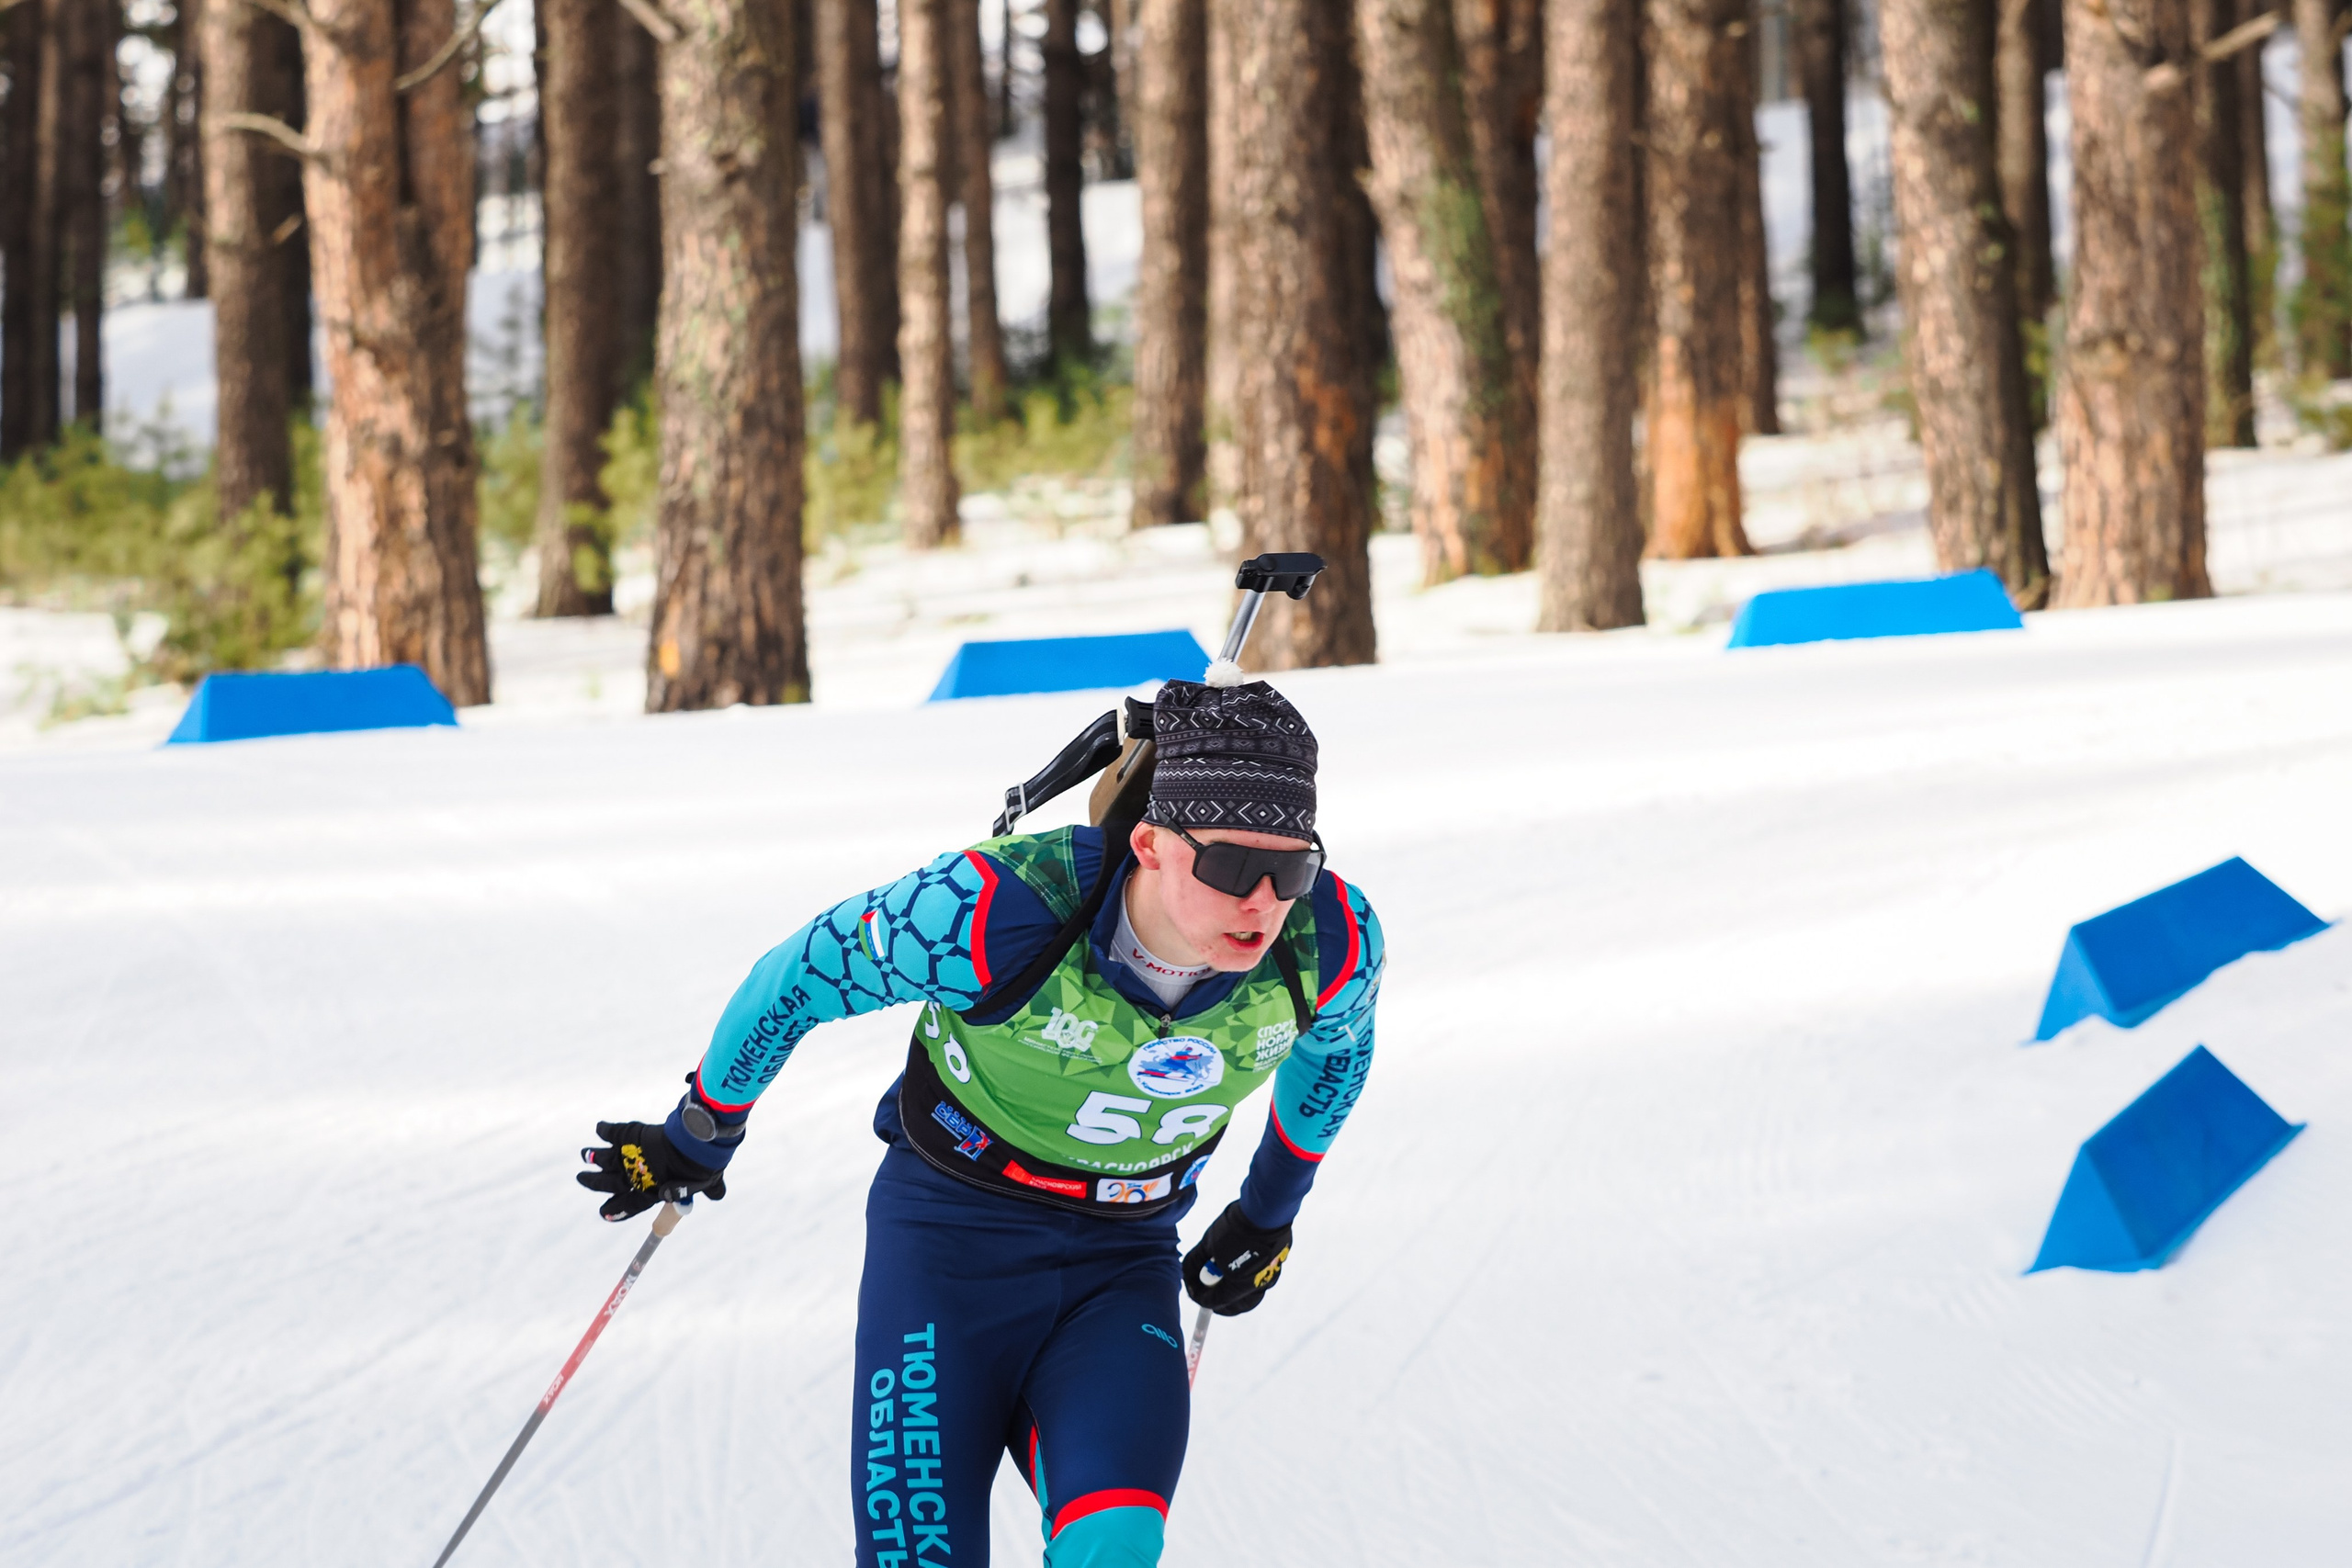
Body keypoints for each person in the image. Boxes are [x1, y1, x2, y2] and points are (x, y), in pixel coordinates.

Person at [580, 678, 1385, 1568]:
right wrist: (701, 1128)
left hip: (1121, 1260)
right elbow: (801, 974)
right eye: (1232, 867)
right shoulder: (995, 908)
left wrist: (1267, 1215)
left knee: (1115, 1542)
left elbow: (1336, 1059)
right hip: (948, 1243)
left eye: (1293, 869)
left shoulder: (1330, 940)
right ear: (1150, 844)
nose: (1264, 901)